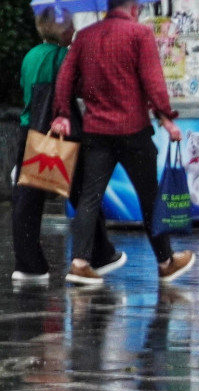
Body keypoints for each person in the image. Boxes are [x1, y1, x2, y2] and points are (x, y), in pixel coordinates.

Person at [50, 0, 195, 287]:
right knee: (149, 197)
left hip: (96, 130)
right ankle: (166, 261)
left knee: (90, 197)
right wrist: (166, 118)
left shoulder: (85, 36)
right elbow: (152, 82)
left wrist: (62, 114)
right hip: (133, 129)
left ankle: (79, 263)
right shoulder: (139, 35)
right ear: (132, 8)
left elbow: (65, 78)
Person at [10, 8, 124, 283]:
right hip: (62, 133)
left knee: (27, 200)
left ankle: (28, 264)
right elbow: (87, 89)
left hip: (30, 131)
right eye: (70, 23)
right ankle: (100, 252)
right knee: (84, 192)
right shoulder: (65, 57)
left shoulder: (31, 56)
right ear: (61, 28)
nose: (73, 27)